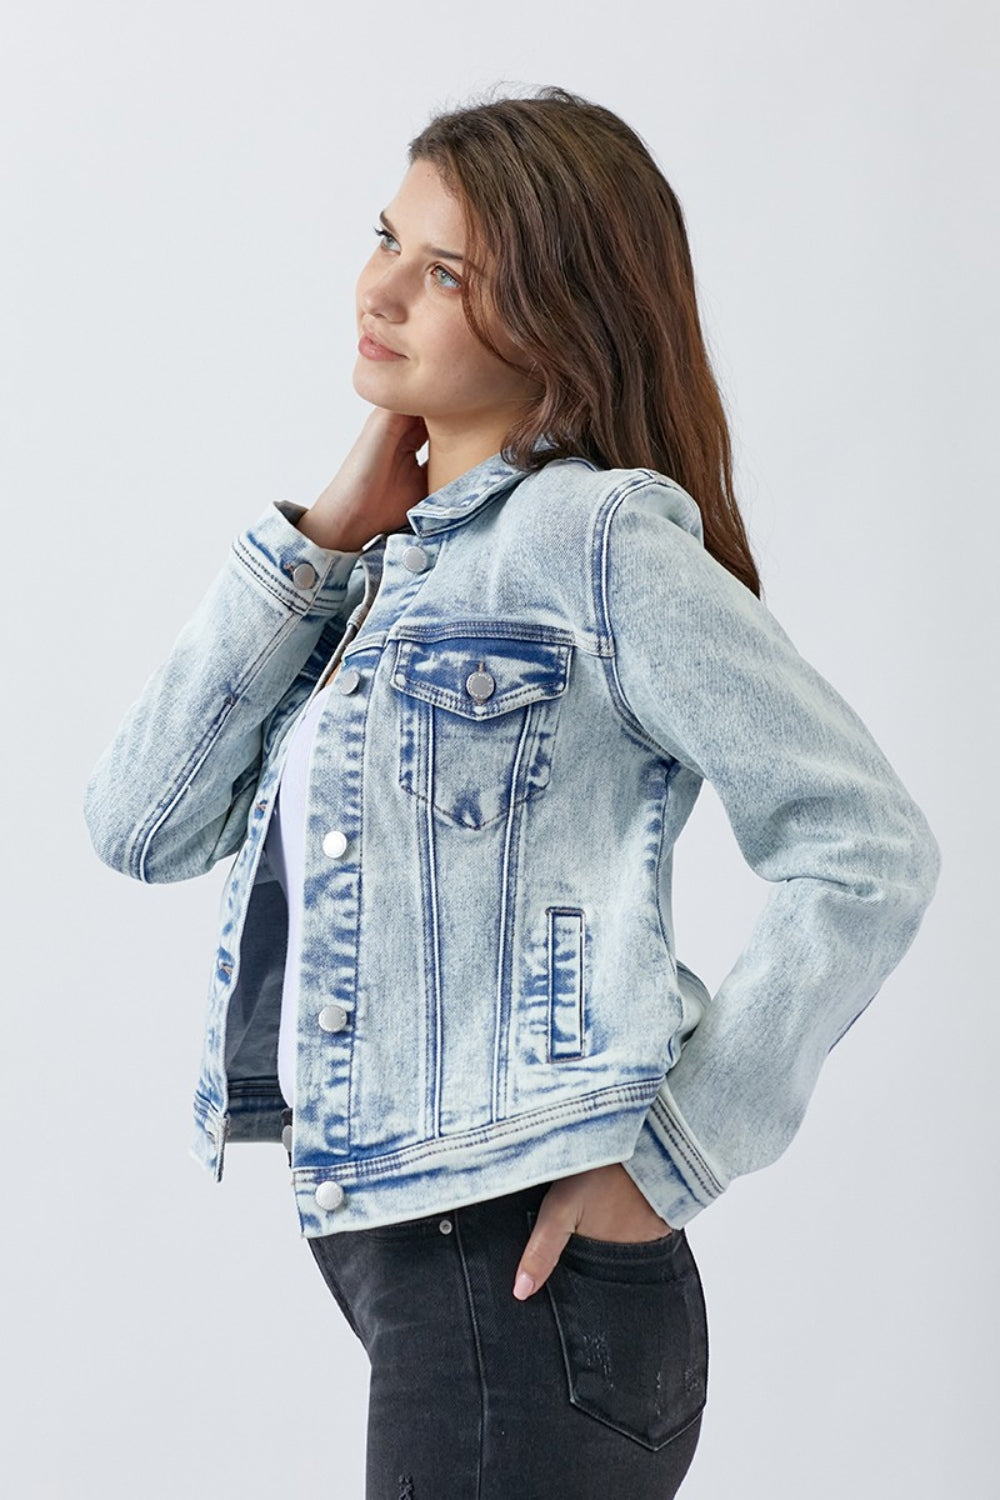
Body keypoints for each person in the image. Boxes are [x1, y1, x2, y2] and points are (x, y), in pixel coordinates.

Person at [83, 86, 941, 1499]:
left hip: (523, 1292)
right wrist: (324, 539)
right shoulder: (389, 575)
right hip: (450, 1290)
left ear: (557, 318)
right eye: (387, 239)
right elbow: (139, 823)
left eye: (446, 274)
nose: (380, 290)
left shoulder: (594, 538)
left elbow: (867, 847)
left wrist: (675, 1155)